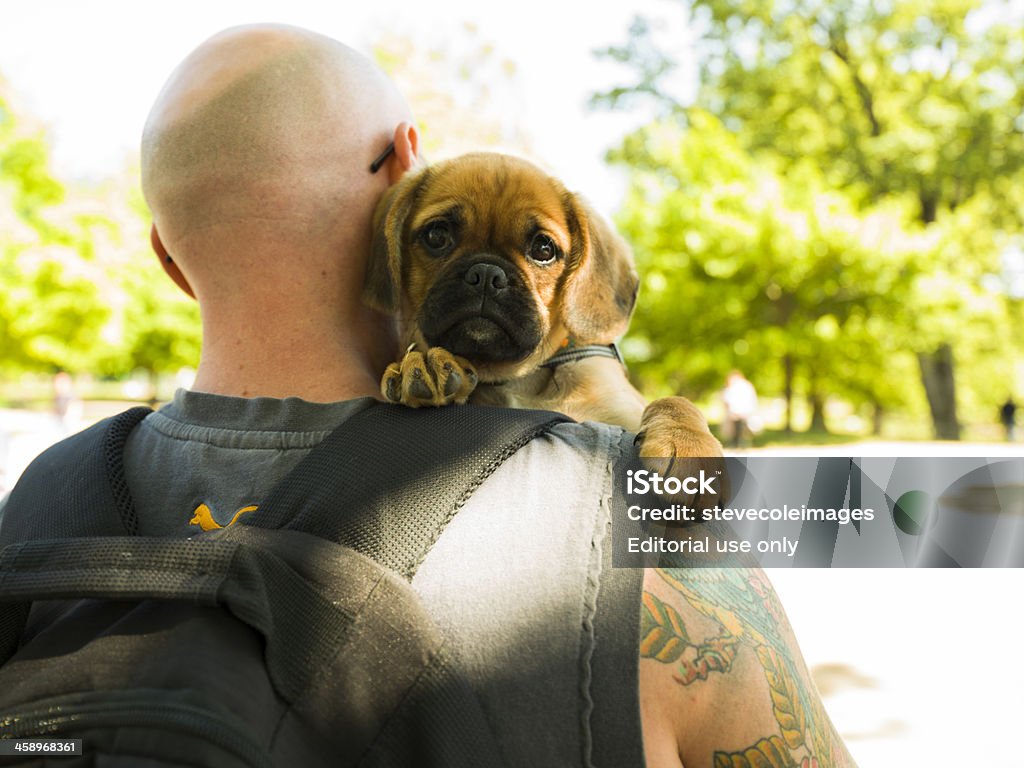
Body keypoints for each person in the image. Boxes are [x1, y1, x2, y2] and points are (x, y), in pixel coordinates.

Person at [1, 25, 855, 767]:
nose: (486, 276)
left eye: (537, 253)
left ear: (167, 258)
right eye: (443, 235)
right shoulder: (648, 501)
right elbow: (910, 522)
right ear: (405, 166)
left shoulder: (40, 502)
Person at [721, 369, 759, 448]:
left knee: (741, 429)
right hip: (735, 412)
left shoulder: (744, 386)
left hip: (743, 412)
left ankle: (740, 444)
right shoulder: (730, 387)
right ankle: (737, 444)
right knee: (735, 429)